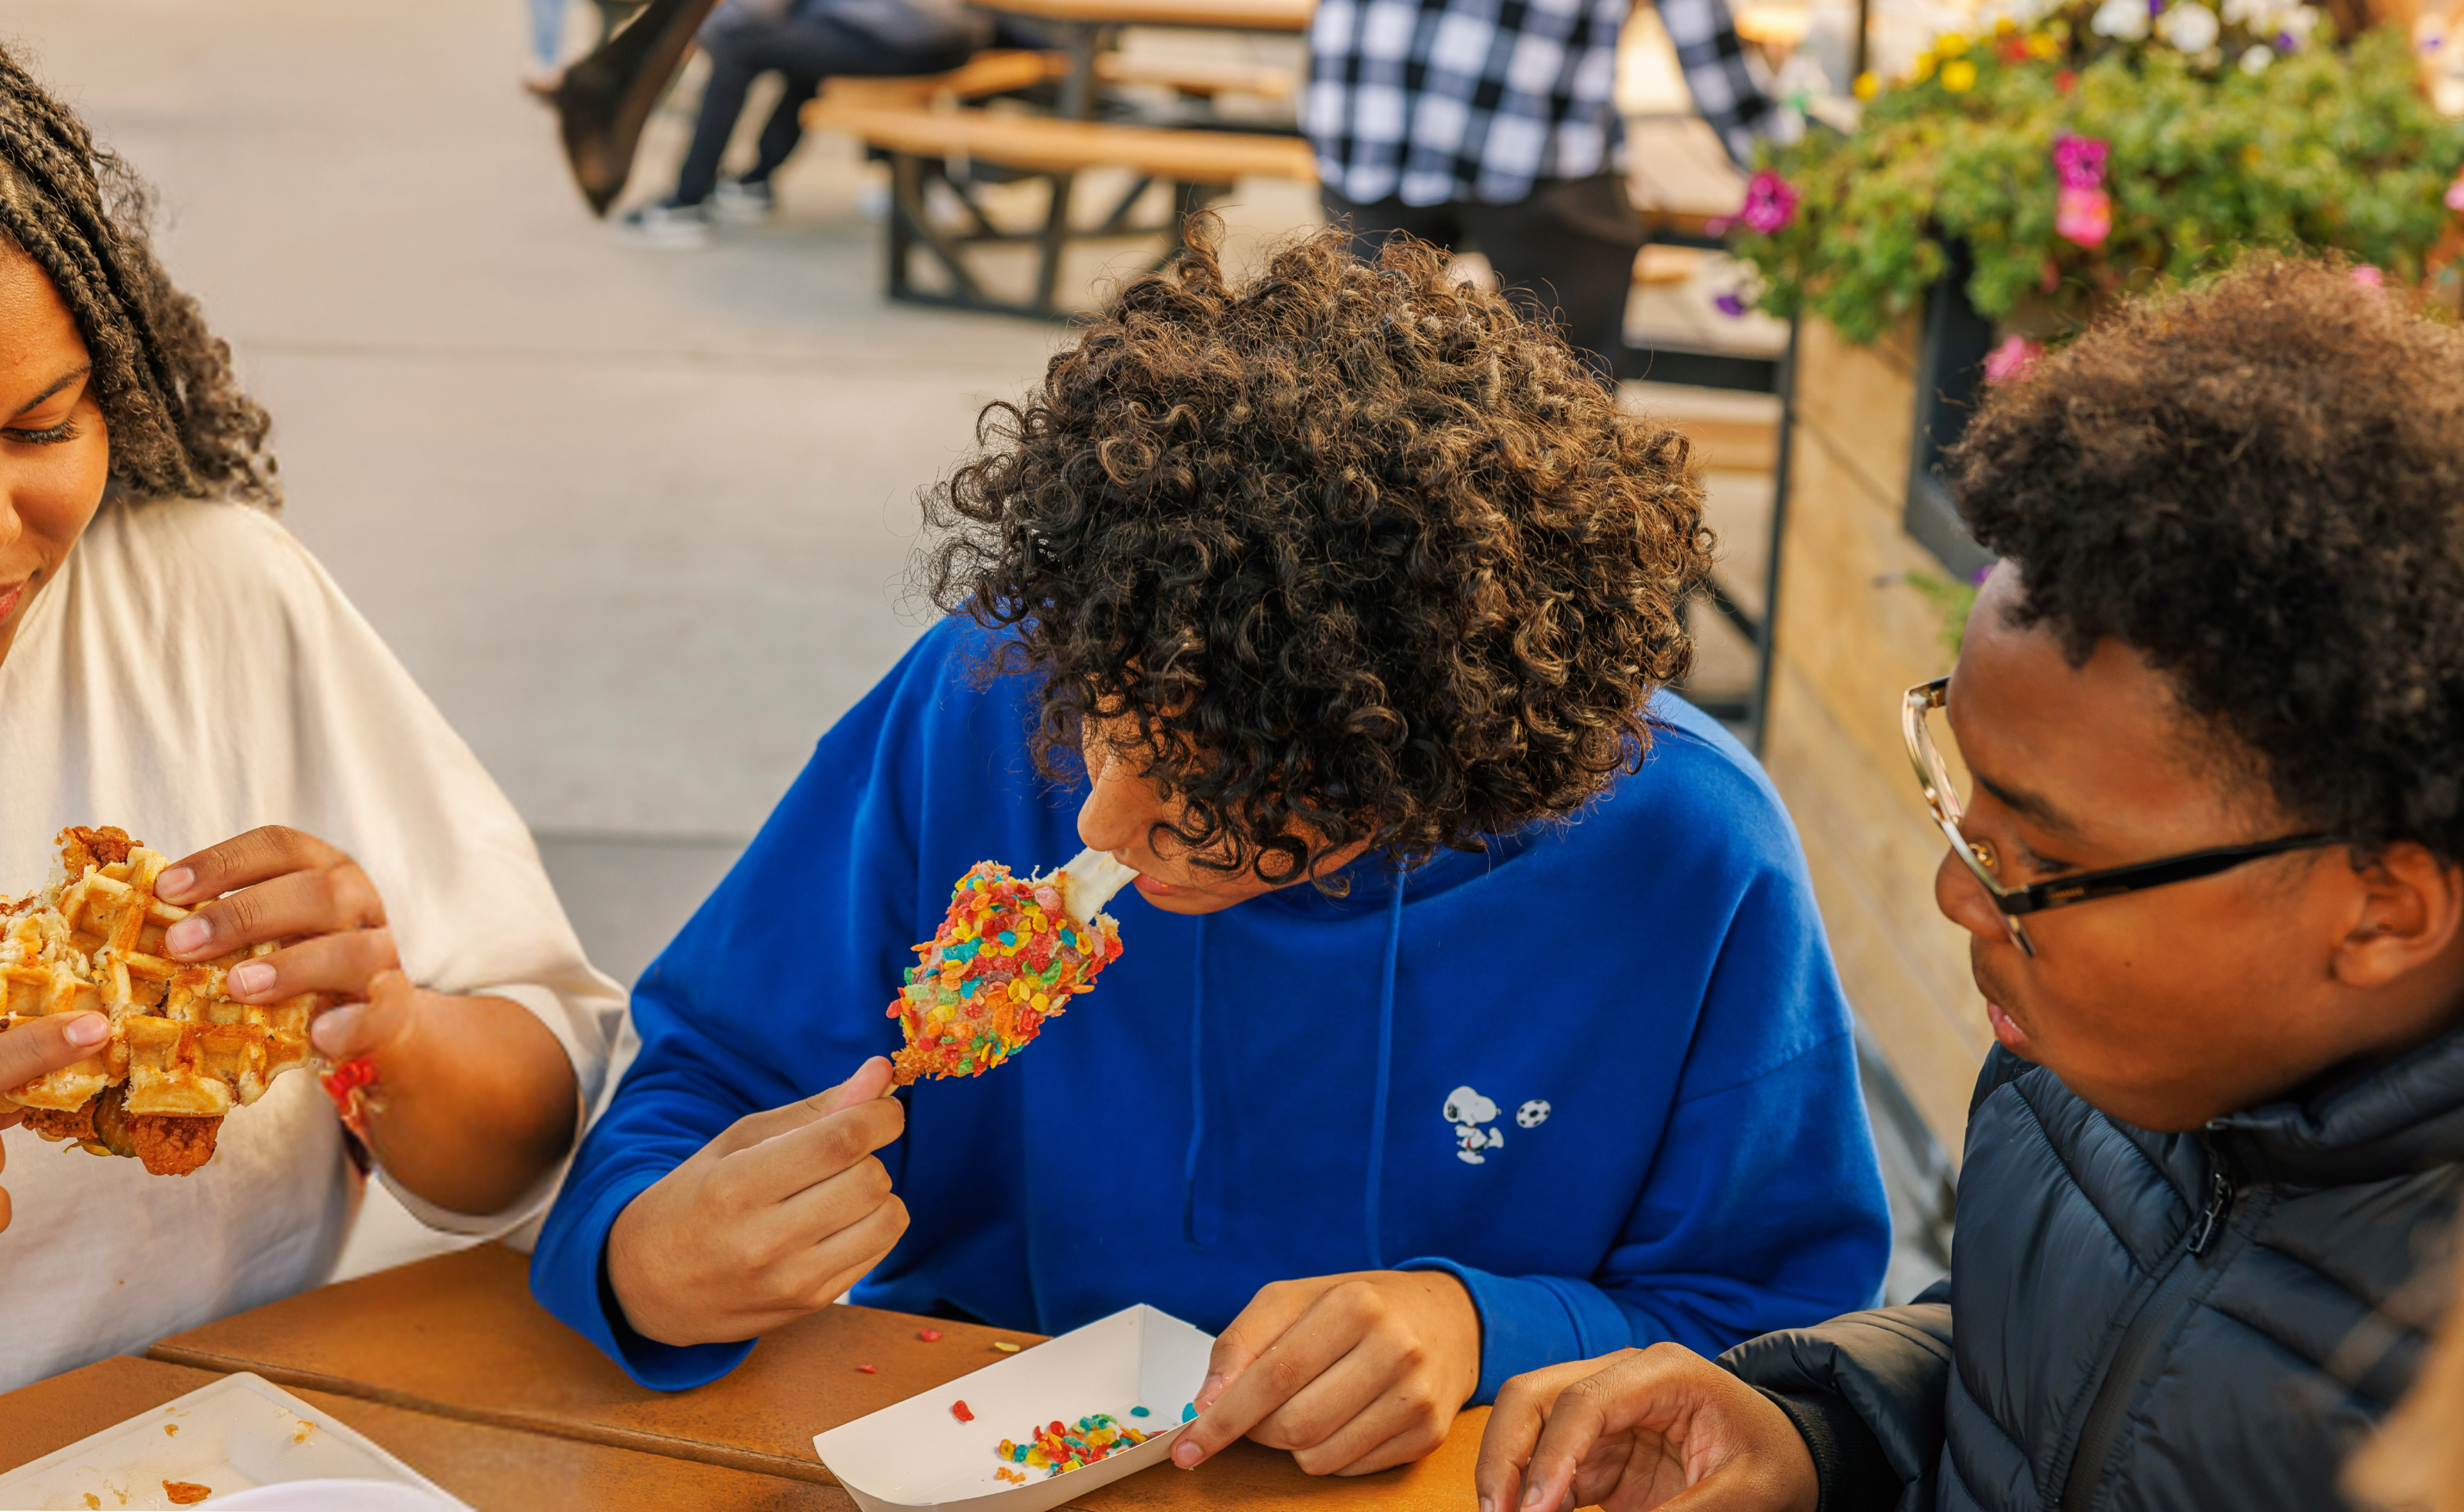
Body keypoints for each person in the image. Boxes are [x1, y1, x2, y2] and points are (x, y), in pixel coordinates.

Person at [531, 221, 1890, 1477]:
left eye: (1206, 787)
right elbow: (702, 1076)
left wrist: (1492, 1327)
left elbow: (1783, 1349)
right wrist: (641, 1255)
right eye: (1095, 729)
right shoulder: (982, 698)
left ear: (1427, 766)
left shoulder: (1683, 858)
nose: (1097, 821)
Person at [1473, 256, 2464, 1512]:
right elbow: (2050, 1354)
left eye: (2039, 859)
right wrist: (1819, 1428)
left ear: (2385, 908)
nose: (1957, 887)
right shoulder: (2100, 1058)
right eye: (1963, 790)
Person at [0, 48, 625, 1391]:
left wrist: (390, 1027)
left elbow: (527, 1133)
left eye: (40, 426)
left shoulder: (210, 600)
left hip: (233, 1439)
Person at [1305, 0, 1779, 384]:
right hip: (1524, 131)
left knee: (1357, 379)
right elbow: (1704, 38)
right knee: (1563, 395)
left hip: (1363, 108)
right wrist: (1787, 168)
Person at [617, 0, 981, 248]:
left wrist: (698, 32)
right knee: (802, 47)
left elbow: (757, 11)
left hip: (906, 38)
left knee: (732, 43)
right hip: (948, 34)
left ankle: (685, 203)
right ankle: (755, 183)